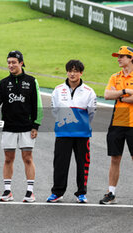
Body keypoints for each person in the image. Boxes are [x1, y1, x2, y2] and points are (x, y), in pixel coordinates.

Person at [0, 50, 43, 202]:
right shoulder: (4, 83)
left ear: (21, 63)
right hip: (9, 127)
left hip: (26, 127)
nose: (11, 65)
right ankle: (7, 191)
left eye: (13, 62)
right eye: (9, 62)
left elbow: (37, 105)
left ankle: (30, 192)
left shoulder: (32, 81)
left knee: (27, 158)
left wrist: (35, 126)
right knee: (8, 158)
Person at [46, 60, 96, 203]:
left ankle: (81, 193)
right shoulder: (58, 89)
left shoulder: (89, 91)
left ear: (81, 73)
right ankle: (57, 192)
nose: (72, 74)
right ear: (67, 72)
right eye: (70, 70)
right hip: (63, 133)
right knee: (60, 164)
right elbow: (54, 111)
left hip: (82, 134)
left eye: (76, 71)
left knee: (83, 164)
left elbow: (91, 113)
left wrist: (82, 124)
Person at [100, 46, 133, 205]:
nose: (119, 59)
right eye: (118, 56)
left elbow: (114, 95)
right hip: (118, 122)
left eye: (122, 56)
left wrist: (118, 95)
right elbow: (107, 95)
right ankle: (111, 193)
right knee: (115, 158)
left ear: (131, 58)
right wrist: (126, 92)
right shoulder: (115, 76)